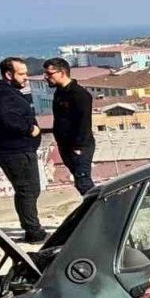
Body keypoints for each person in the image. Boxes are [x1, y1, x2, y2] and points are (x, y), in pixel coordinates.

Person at [0, 57, 45, 243]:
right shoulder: (5, 94)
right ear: (9, 74)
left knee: (28, 190)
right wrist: (29, 129)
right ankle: (33, 232)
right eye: (21, 74)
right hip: (15, 151)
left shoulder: (6, 92)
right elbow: (8, 119)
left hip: (16, 150)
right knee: (27, 190)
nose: (26, 77)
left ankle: (31, 228)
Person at [43, 58, 95, 196]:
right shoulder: (59, 92)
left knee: (83, 182)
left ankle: (99, 205)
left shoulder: (80, 95)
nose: (46, 77)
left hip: (79, 147)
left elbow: (84, 122)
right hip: (65, 146)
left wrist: (78, 146)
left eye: (50, 74)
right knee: (79, 181)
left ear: (62, 73)